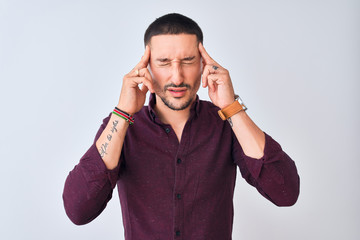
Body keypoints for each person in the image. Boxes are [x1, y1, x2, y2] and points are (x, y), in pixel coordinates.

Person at [63, 13, 300, 240]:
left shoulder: (225, 123)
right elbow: (79, 210)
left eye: (188, 61)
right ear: (147, 67)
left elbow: (285, 192)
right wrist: (122, 113)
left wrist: (231, 107)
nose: (177, 77)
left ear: (203, 64)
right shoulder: (122, 127)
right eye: (164, 62)